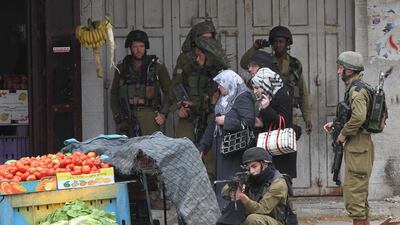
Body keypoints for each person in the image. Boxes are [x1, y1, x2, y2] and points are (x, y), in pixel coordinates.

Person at [323, 51, 374, 225]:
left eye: (341, 68)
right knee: (358, 198)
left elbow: (359, 117)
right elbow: (354, 116)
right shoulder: (356, 87)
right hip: (359, 146)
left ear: (350, 70)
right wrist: (336, 124)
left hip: (358, 147)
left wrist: (343, 134)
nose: (338, 72)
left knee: (355, 199)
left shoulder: (357, 91)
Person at [240, 25, 312, 138]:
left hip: (290, 113)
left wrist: (307, 117)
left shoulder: (295, 64)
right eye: (275, 42)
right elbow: (244, 63)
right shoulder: (266, 61)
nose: (278, 45)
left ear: (287, 43)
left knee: (288, 146)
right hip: (269, 111)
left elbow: (303, 91)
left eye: (281, 41)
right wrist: (254, 48)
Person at [197, 69, 255, 209]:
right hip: (221, 149)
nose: (218, 87)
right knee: (221, 183)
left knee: (232, 183)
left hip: (235, 150)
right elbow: (213, 123)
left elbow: (249, 121)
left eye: (221, 83)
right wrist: (203, 147)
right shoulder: (223, 99)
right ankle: (224, 214)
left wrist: (226, 121)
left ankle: (233, 213)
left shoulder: (242, 96)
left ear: (229, 83)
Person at [169, 20, 229, 141]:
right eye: (203, 38)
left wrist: (205, 66)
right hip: (188, 112)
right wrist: (178, 108)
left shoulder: (217, 58)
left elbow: (223, 82)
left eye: (210, 38)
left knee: (209, 154)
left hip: (210, 112)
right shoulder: (185, 58)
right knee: (185, 149)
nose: (207, 42)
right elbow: (175, 85)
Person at [110, 29, 171, 137]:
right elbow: (114, 94)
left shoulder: (157, 66)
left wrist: (163, 113)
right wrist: (118, 116)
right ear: (130, 48)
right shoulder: (122, 67)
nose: (138, 50)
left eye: (141, 46)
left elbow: (169, 91)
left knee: (151, 150)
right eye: (135, 47)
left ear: (145, 46)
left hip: (150, 116)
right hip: (127, 117)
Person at [219, 147, 290, 225]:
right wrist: (234, 190)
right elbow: (224, 193)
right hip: (251, 216)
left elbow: (263, 209)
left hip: (274, 221)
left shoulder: (277, 183)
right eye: (248, 168)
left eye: (254, 166)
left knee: (253, 219)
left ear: (265, 164)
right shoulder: (249, 177)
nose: (251, 171)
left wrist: (243, 197)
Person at [251, 67, 296, 179]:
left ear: (265, 83)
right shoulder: (267, 97)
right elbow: (267, 121)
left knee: (282, 180)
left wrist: (267, 109)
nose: (255, 91)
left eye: (257, 87)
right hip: (271, 146)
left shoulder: (282, 94)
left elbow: (284, 121)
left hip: (281, 146)